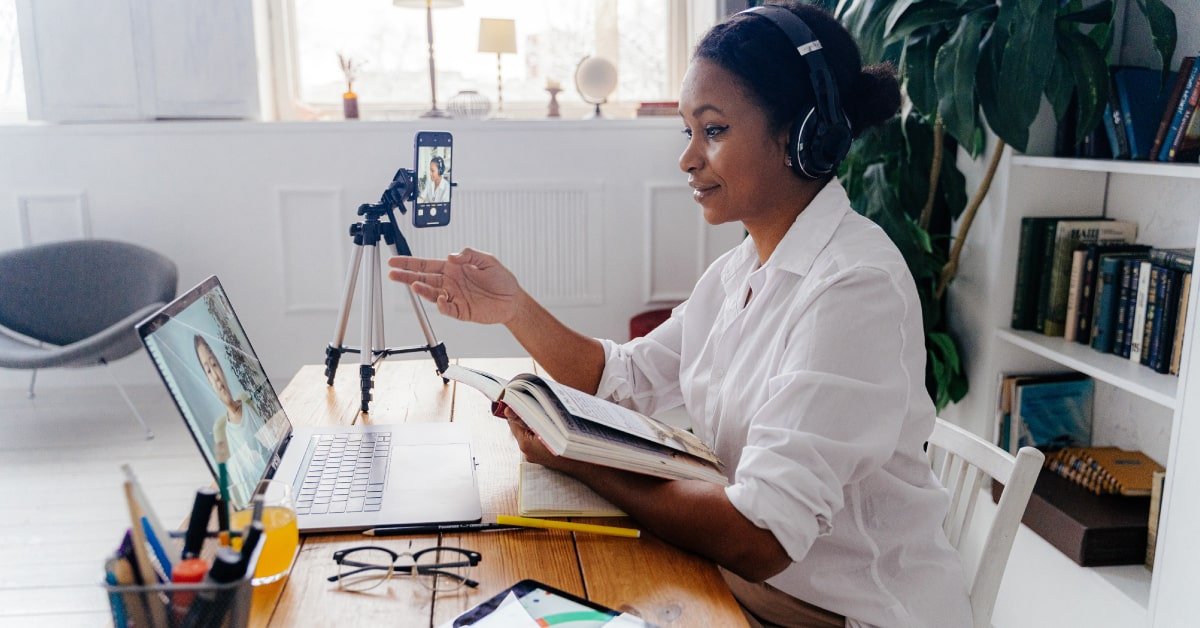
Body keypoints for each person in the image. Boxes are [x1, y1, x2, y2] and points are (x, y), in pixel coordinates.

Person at [387, 3, 971, 626]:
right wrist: (515, 308)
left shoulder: (854, 288)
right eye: (687, 132)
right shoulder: (743, 269)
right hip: (739, 588)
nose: (688, 158)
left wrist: (577, 457)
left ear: (801, 136)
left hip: (843, 615)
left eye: (713, 130)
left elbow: (760, 536)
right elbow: (625, 380)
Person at [194, 334, 275, 505]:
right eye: (208, 370)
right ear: (208, 380)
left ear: (222, 368)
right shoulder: (222, 432)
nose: (215, 376)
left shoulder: (248, 403)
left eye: (214, 365)